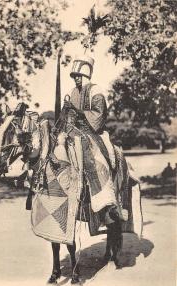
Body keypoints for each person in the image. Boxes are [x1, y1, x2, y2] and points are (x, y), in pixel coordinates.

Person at [52, 56, 128, 230]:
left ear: (86, 75)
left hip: (94, 132)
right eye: (74, 76)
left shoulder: (96, 90)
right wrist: (66, 115)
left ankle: (106, 200)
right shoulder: (73, 92)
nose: (76, 78)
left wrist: (79, 112)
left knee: (96, 158)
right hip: (74, 131)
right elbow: (69, 117)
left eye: (79, 75)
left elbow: (99, 116)